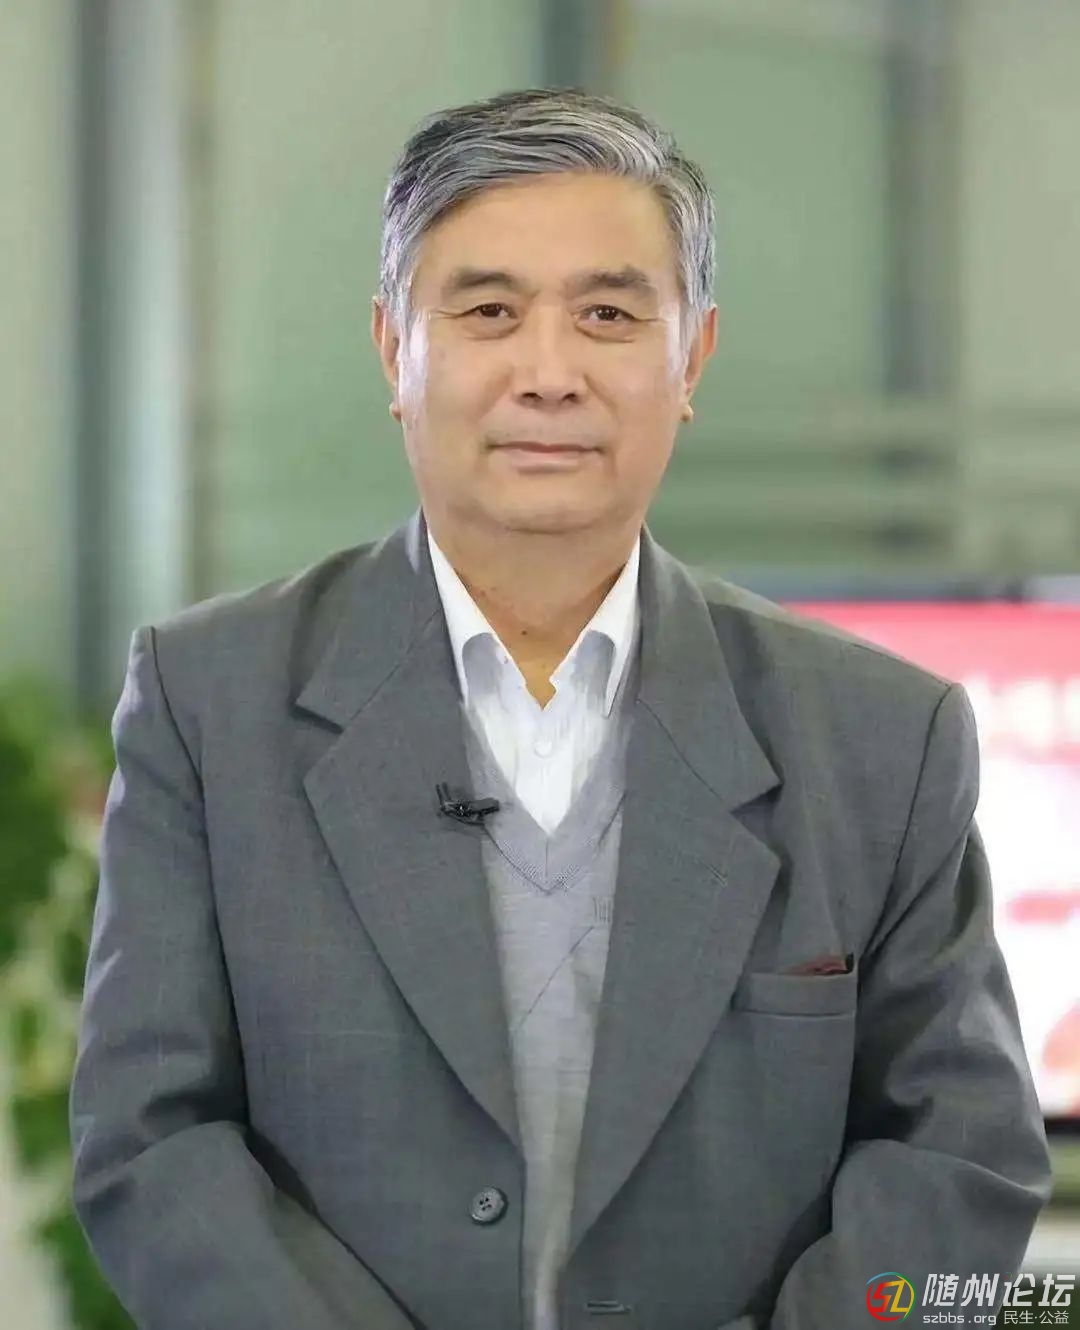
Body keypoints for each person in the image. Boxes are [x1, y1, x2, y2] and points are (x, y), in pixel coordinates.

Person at [70, 88, 1052, 1330]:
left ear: (692, 358)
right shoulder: (210, 703)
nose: (549, 374)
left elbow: (962, 1160)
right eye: (488, 311)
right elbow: (151, 1141)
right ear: (392, 348)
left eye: (608, 315)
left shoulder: (881, 739)